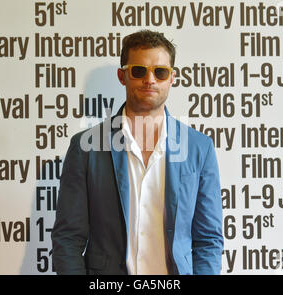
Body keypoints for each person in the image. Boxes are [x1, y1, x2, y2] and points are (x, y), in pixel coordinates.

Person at [51, 30, 223, 275]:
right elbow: (67, 238)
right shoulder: (85, 147)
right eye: (139, 70)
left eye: (160, 72)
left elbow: (208, 240)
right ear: (122, 76)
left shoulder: (199, 147)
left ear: (172, 78)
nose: (150, 80)